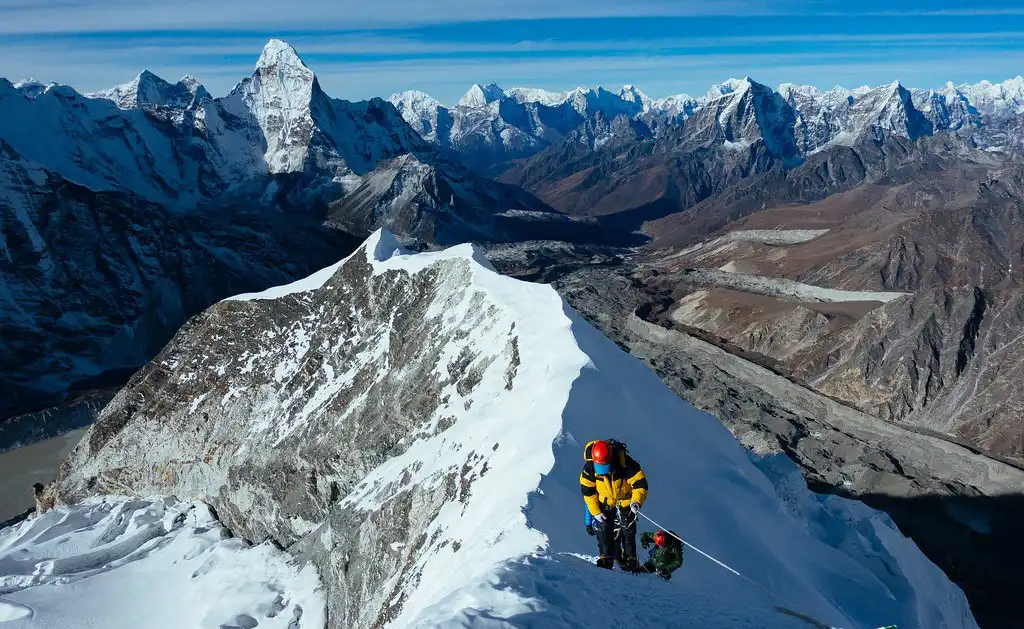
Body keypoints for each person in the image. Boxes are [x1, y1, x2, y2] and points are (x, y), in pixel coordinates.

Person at [580, 439, 648, 571]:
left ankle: (631, 560)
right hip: (605, 503)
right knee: (604, 529)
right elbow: (588, 492)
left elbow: (640, 484)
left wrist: (636, 501)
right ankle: (606, 558)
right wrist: (595, 512)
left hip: (626, 502)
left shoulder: (626, 464)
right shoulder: (589, 469)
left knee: (628, 529)